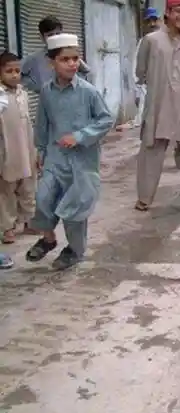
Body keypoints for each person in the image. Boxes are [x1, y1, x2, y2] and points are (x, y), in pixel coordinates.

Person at [25, 34, 114, 270]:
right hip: (55, 158)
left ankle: (74, 251)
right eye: (65, 59)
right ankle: (49, 239)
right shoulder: (46, 91)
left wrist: (80, 136)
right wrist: (40, 150)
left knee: (74, 211)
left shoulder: (88, 92)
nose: (72, 64)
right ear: (51, 62)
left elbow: (106, 120)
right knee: (43, 199)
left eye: (75, 58)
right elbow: (42, 123)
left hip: (82, 162)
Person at [134, 0, 180, 211]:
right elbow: (140, 72)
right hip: (159, 101)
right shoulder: (151, 40)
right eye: (177, 11)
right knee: (152, 147)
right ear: (167, 13)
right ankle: (144, 198)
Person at [0, 51, 38, 245]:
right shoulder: (0, 96)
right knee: (6, 192)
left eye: (17, 71)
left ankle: (28, 221)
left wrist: (35, 150)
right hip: (7, 151)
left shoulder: (23, 93)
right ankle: (7, 227)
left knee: (29, 187)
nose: (14, 75)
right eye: (9, 71)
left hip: (27, 149)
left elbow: (28, 123)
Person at [21, 16, 91, 93]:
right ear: (41, 37)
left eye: (57, 34)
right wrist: (36, 86)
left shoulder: (69, 54)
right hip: (49, 98)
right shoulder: (34, 58)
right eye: (50, 35)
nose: (55, 38)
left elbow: (85, 70)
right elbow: (18, 73)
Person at [132, 8, 162, 128]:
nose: (152, 24)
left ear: (160, 21)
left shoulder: (167, 40)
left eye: (154, 20)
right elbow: (137, 64)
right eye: (149, 21)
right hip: (148, 83)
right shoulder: (143, 42)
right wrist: (138, 85)